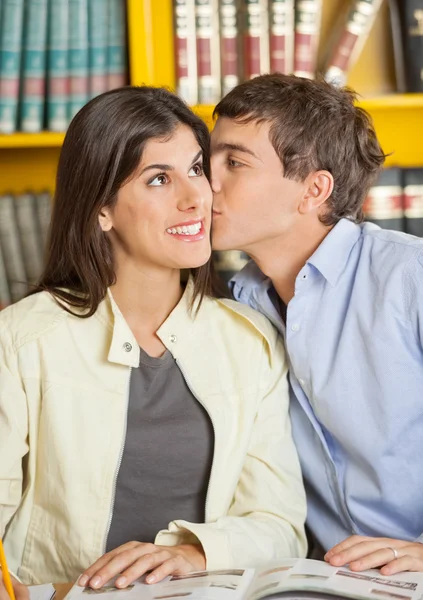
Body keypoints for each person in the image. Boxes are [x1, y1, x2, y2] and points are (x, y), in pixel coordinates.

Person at [0, 86, 306, 600]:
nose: (196, 198)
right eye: (159, 179)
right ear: (102, 210)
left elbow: (280, 526)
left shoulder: (250, 342)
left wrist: (191, 553)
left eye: (195, 169)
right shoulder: (22, 340)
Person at [210, 73, 423, 575]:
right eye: (209, 158)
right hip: (320, 578)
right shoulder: (231, 309)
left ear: (313, 190)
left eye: (235, 162)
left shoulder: (410, 278)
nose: (206, 180)